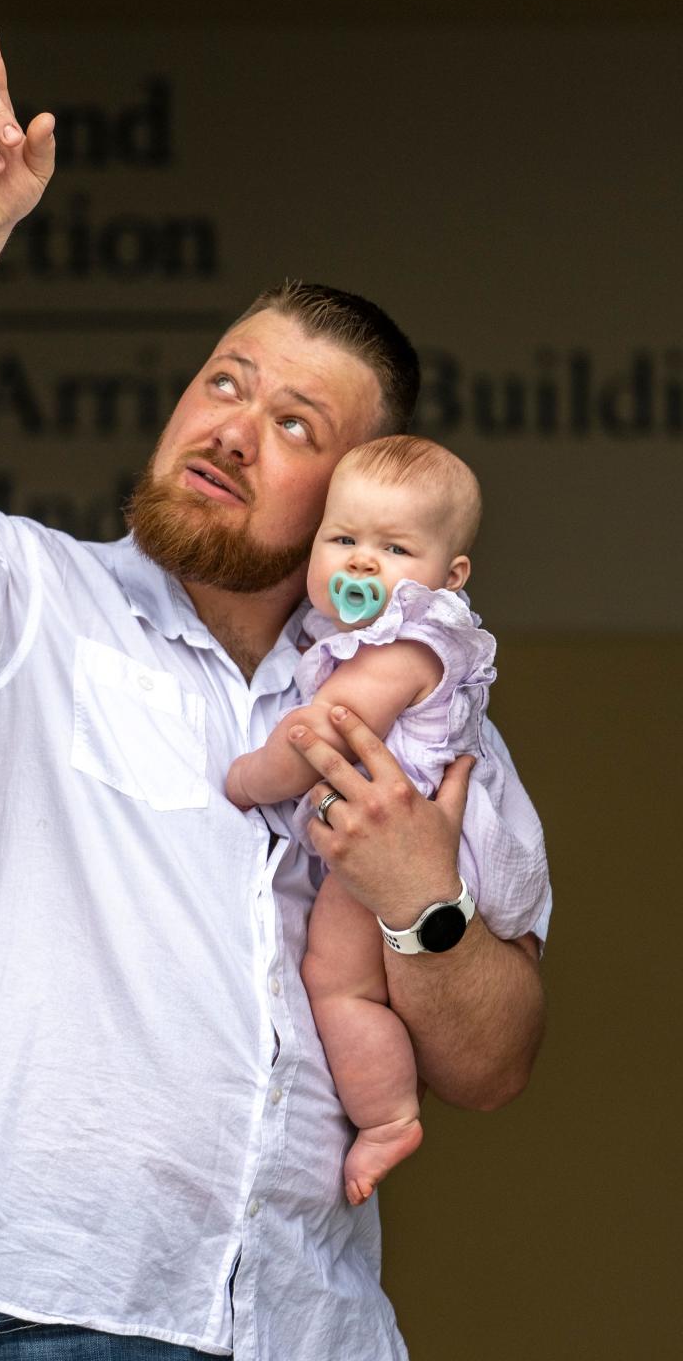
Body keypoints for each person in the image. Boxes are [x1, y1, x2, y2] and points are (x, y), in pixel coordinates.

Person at [0, 2, 549, 1361]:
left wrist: (420, 901)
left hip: (316, 1323)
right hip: (47, 1305)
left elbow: (492, 1065)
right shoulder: (26, 605)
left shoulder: (431, 722)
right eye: (223, 384)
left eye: (295, 424)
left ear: (356, 507)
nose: (233, 431)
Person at [226, 435, 547, 1207]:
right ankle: (388, 1113)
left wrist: (244, 779)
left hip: (396, 845)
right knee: (344, 988)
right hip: (384, 835)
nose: (364, 564)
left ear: (451, 575)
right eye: (343, 540)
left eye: (395, 548)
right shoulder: (349, 638)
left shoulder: (408, 646)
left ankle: (387, 1117)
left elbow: (321, 736)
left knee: (338, 986)